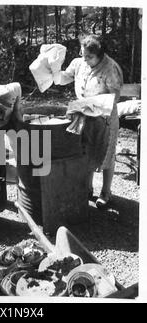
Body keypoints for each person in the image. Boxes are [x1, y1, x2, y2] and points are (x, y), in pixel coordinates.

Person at [53, 34, 123, 208]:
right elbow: (64, 78)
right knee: (86, 151)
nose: (85, 60)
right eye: (82, 55)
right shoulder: (79, 63)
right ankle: (87, 187)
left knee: (107, 153)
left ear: (100, 55)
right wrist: (53, 70)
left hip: (104, 117)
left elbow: (115, 96)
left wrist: (95, 106)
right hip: (84, 115)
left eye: (89, 57)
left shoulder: (110, 68)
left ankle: (106, 192)